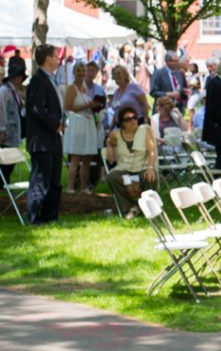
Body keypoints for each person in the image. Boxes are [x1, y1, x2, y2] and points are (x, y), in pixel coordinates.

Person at [25, 44, 65, 224]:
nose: (58, 59)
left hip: (54, 139)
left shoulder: (51, 79)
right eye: (56, 56)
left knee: (55, 180)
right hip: (41, 141)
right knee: (40, 180)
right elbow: (36, 109)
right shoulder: (38, 80)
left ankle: (51, 216)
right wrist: (55, 124)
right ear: (48, 59)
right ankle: (34, 217)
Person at [105, 106, 158, 213]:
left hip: (142, 167)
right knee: (112, 177)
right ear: (122, 123)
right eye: (128, 119)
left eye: (134, 118)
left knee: (150, 176)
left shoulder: (144, 130)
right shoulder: (116, 134)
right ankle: (129, 208)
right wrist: (110, 148)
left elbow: (152, 151)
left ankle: (146, 207)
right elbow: (109, 141)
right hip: (124, 168)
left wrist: (150, 167)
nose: (133, 121)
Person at [63, 61, 99, 194]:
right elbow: (67, 107)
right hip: (77, 125)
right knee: (76, 158)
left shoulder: (84, 87)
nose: (81, 74)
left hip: (87, 123)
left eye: (83, 71)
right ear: (74, 72)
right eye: (79, 71)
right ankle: (70, 188)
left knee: (87, 159)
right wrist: (88, 106)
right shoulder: (71, 88)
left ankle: (84, 187)